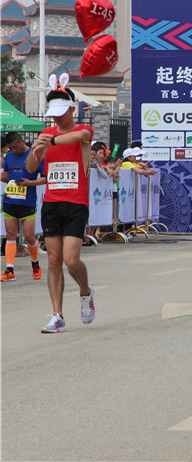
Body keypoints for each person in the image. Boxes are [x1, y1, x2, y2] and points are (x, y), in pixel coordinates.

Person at [25, 74, 95, 333]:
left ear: (72, 109)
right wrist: (37, 151)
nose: (56, 118)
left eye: (62, 112)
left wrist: (51, 141)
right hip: (52, 203)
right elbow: (31, 167)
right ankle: (58, 315)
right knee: (54, 260)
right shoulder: (46, 133)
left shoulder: (82, 131)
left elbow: (79, 136)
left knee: (71, 259)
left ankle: (86, 292)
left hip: (76, 203)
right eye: (54, 114)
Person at [2, 132, 46, 282]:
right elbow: (7, 175)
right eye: (10, 148)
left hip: (27, 201)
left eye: (16, 147)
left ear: (22, 141)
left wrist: (30, 183)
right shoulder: (9, 156)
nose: (14, 150)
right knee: (10, 235)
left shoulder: (35, 154)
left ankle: (35, 263)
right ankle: (9, 269)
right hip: (10, 200)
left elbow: (45, 178)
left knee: (29, 235)